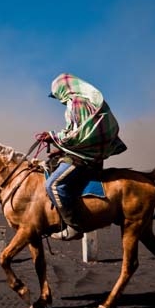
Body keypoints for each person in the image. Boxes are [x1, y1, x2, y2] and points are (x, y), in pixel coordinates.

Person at [38, 73, 127, 241]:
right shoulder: (78, 101)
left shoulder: (78, 103)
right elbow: (80, 134)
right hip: (84, 152)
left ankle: (74, 226)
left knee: (54, 185)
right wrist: (60, 149)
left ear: (62, 89)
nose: (57, 99)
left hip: (84, 157)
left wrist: (53, 137)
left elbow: (77, 135)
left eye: (56, 95)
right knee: (49, 165)